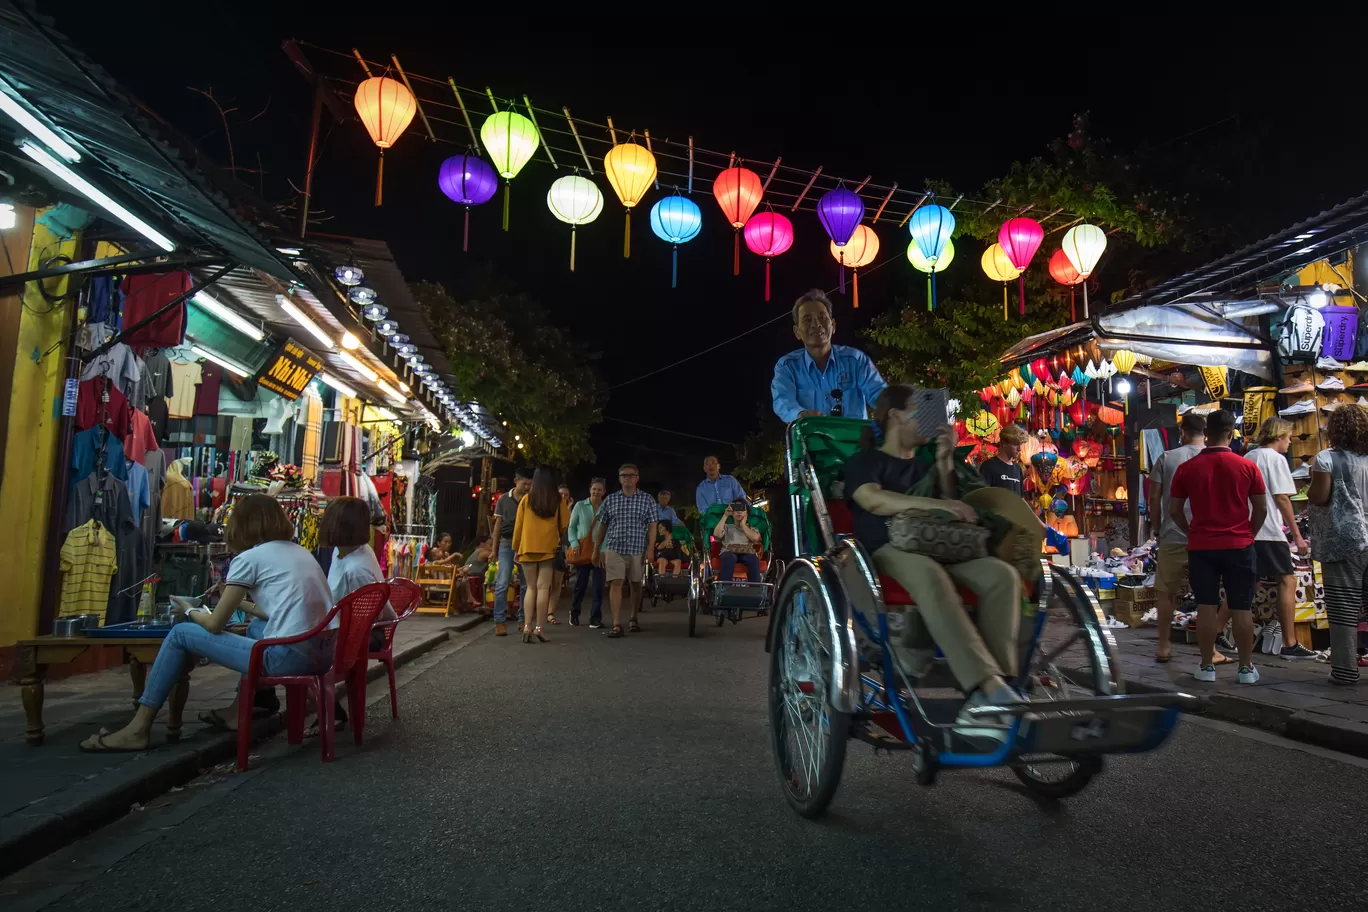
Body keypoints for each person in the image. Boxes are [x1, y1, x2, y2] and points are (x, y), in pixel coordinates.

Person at [80, 494, 336, 752]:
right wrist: (237, 601)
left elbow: (214, 625)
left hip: (288, 658)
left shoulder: (249, 559)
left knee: (181, 634)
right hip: (322, 655)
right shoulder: (300, 552)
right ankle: (239, 711)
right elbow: (279, 612)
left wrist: (189, 610)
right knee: (255, 628)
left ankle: (138, 728)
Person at [844, 384, 1023, 737]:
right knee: (931, 575)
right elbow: (873, 500)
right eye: (917, 409)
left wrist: (944, 463)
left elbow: (956, 508)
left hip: (941, 546)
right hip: (887, 550)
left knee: (1002, 576)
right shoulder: (865, 461)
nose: (927, 419)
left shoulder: (927, 464)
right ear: (895, 415)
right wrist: (938, 505)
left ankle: (995, 694)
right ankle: (986, 687)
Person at [1169, 409, 1267, 684]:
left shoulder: (1186, 468)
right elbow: (1261, 508)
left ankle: (1206, 666)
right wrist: (1249, 532)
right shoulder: (1247, 467)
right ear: (1230, 433)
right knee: (1242, 607)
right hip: (1240, 544)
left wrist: (1191, 531)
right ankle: (1246, 669)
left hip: (1202, 547)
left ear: (1207, 433)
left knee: (1206, 607)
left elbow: (1174, 510)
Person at [1146, 414, 1231, 664]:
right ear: (1206, 432)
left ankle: (1163, 646)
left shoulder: (1167, 458)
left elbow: (1154, 498)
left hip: (1173, 534)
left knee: (1166, 593)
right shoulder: (1217, 456)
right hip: (1207, 536)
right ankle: (1211, 651)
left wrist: (1157, 527)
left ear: (1182, 432)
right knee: (1207, 596)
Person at [1245, 418, 1316, 659]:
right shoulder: (1275, 459)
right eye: (1287, 437)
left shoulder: (1248, 457)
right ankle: (1289, 642)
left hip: (1248, 529)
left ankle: (1216, 631)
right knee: (1288, 580)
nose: (1289, 442)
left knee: (1246, 584)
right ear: (1278, 436)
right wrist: (1298, 536)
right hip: (1269, 531)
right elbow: (1282, 498)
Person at [1308, 404, 1368, 685]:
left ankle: (1345, 672)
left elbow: (1320, 497)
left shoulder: (1326, 459)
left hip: (1345, 541)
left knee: (1344, 608)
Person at [771, 288, 886, 422]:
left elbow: (880, 394)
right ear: (797, 332)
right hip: (809, 441)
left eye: (822, 318)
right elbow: (783, 402)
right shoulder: (787, 367)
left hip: (854, 442)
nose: (816, 324)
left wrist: (896, 410)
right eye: (807, 320)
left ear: (833, 325)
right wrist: (800, 414)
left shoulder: (856, 360)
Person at [591, 463, 658, 638]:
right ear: (620, 479)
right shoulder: (611, 500)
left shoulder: (647, 499)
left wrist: (651, 549)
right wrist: (596, 549)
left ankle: (633, 617)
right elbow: (602, 526)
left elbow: (652, 527)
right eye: (624, 476)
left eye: (631, 475)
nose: (627, 478)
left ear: (637, 478)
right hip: (615, 547)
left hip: (637, 549)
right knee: (616, 582)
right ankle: (616, 624)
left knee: (636, 584)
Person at [513, 466, 571, 643]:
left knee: (530, 588)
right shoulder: (557, 500)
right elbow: (564, 525)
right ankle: (539, 628)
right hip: (547, 548)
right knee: (543, 588)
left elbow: (518, 527)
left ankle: (527, 626)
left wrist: (516, 548)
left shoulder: (526, 499)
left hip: (527, 548)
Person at [490, 468, 533, 637]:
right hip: (507, 544)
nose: (527, 487)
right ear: (516, 481)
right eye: (525, 484)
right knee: (502, 582)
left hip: (526, 544)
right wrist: (494, 550)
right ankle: (499, 621)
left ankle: (523, 619)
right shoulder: (503, 500)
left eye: (530, 484)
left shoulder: (531, 500)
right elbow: (497, 525)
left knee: (525, 585)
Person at [569, 478, 607, 627]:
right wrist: (574, 543)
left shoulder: (606, 507)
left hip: (600, 550)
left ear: (604, 492)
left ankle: (595, 618)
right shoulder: (580, 506)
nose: (596, 492)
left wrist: (603, 550)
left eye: (599, 489)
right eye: (594, 489)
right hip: (583, 550)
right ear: (590, 490)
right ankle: (574, 612)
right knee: (581, 584)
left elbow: (608, 531)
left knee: (598, 586)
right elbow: (572, 527)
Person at [712, 499, 762, 582]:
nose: (739, 512)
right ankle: (724, 589)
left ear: (747, 513)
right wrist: (725, 515)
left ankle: (755, 590)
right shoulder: (727, 527)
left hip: (746, 552)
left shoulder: (752, 529)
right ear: (732, 512)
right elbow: (716, 535)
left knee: (754, 560)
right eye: (736, 509)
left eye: (742, 509)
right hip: (729, 551)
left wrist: (743, 525)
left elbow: (755, 539)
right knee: (730, 558)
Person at [980, 424, 1027, 494]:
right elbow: (982, 496)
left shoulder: (1018, 468)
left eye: (1020, 444)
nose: (1019, 449)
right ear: (1004, 443)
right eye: (1015, 444)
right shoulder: (988, 467)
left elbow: (1020, 498)